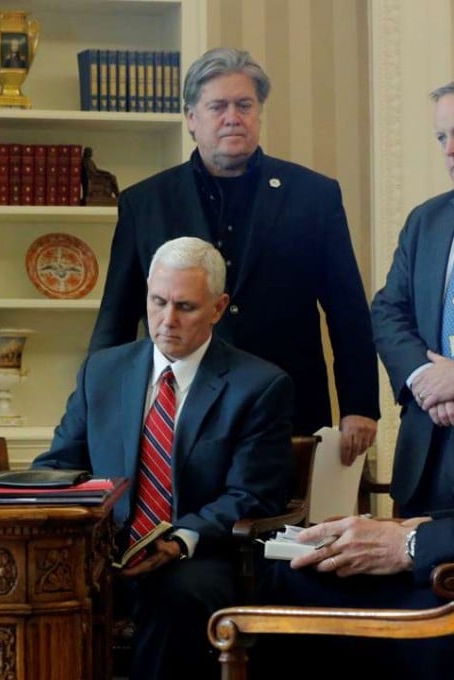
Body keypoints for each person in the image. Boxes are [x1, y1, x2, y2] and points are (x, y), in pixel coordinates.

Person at [255, 77, 454, 680]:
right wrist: (422, 376)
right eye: (441, 136)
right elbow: (386, 311)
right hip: (429, 451)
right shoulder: (428, 219)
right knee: (327, 581)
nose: (450, 149)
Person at [88, 47, 378, 464]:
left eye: (244, 105)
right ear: (191, 118)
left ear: (259, 113)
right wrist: (96, 409)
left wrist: (360, 404)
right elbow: (115, 317)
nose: (232, 117)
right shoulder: (145, 202)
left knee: (289, 527)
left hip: (290, 406)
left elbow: (347, 309)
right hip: (178, 411)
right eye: (217, 106)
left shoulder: (314, 195)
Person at [32, 237, 294, 680]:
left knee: (174, 595)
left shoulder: (259, 385)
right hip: (104, 549)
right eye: (158, 302)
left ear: (217, 307)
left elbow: (252, 494)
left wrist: (178, 539)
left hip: (200, 554)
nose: (167, 320)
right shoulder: (103, 370)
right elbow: (59, 465)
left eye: (186, 307)